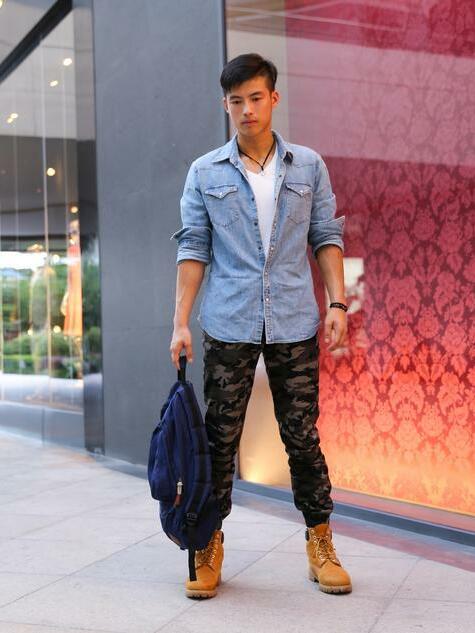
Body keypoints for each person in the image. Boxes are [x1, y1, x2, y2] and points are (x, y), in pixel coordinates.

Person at [170, 52, 352, 599]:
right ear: (224, 105)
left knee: (303, 436)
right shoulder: (205, 171)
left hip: (294, 319)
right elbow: (193, 248)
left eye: (255, 97)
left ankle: (321, 544)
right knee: (219, 440)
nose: (246, 109)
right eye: (236, 101)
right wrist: (180, 323)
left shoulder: (308, 166)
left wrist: (338, 304)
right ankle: (208, 543)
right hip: (229, 321)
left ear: (273, 98)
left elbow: (326, 236)